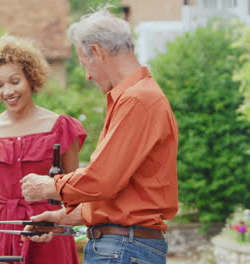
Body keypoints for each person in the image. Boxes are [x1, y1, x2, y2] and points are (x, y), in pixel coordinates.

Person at [20, 7, 179, 264]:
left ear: (97, 52)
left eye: (85, 64)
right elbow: (121, 193)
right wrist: (63, 217)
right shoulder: (135, 98)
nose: (87, 75)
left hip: (123, 248)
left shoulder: (138, 100)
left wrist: (50, 186)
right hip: (125, 246)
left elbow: (103, 180)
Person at [0, 35, 87, 264]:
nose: (7, 91)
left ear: (31, 79)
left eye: (15, 82)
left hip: (48, 234)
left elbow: (73, 193)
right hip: (1, 236)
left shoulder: (61, 128)